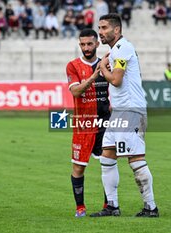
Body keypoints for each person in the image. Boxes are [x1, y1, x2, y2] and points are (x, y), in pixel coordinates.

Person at [90, 13, 159, 217]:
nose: (100, 32)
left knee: (135, 159)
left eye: (104, 28)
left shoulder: (122, 48)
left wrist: (102, 67)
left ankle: (151, 207)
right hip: (119, 112)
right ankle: (112, 206)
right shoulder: (116, 51)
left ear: (116, 29)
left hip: (131, 111)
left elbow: (117, 80)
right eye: (99, 28)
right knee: (107, 156)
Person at [66, 28, 110, 217]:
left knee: (108, 165)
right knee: (78, 167)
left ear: (97, 44)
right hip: (83, 123)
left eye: (89, 44)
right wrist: (93, 76)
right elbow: (75, 92)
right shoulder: (73, 66)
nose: (86, 48)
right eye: (83, 44)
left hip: (105, 124)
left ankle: (110, 206)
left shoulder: (106, 64)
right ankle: (80, 207)